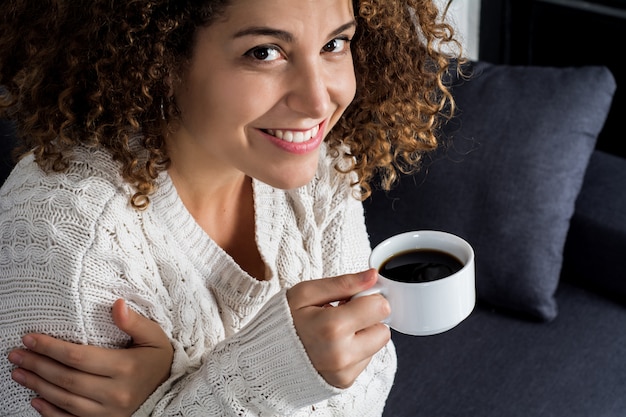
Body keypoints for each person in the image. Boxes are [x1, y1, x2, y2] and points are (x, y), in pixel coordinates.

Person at [0, 0, 462, 415]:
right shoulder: (69, 236)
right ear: (162, 58)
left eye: (334, 43)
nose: (319, 101)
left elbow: (368, 385)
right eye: (264, 52)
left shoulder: (321, 163)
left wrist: (167, 398)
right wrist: (273, 373)